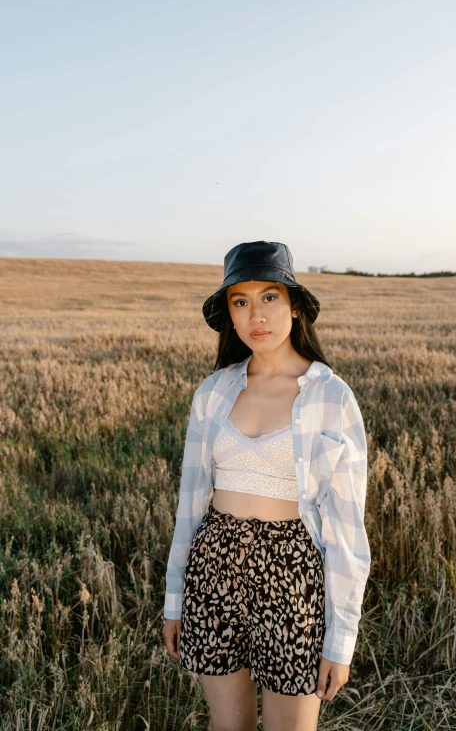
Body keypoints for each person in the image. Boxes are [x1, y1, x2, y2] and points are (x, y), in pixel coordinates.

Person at [163, 240, 371, 731]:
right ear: (230, 316)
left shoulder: (331, 398)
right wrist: (176, 599)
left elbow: (346, 529)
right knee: (227, 725)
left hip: (294, 572)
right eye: (240, 301)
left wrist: (340, 640)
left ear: (294, 306)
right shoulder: (214, 392)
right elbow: (189, 506)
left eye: (269, 297)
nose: (256, 314)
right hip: (214, 566)